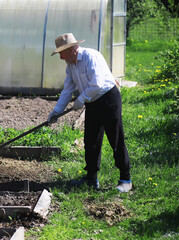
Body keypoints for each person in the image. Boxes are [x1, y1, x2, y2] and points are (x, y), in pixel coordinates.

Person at [47, 33, 132, 192]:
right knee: (91, 140)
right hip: (92, 102)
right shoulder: (70, 66)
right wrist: (56, 112)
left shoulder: (91, 56)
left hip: (108, 99)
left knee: (115, 137)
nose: (61, 58)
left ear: (72, 49)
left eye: (61, 53)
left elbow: (98, 84)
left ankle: (125, 178)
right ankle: (91, 179)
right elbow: (67, 90)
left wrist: (82, 99)